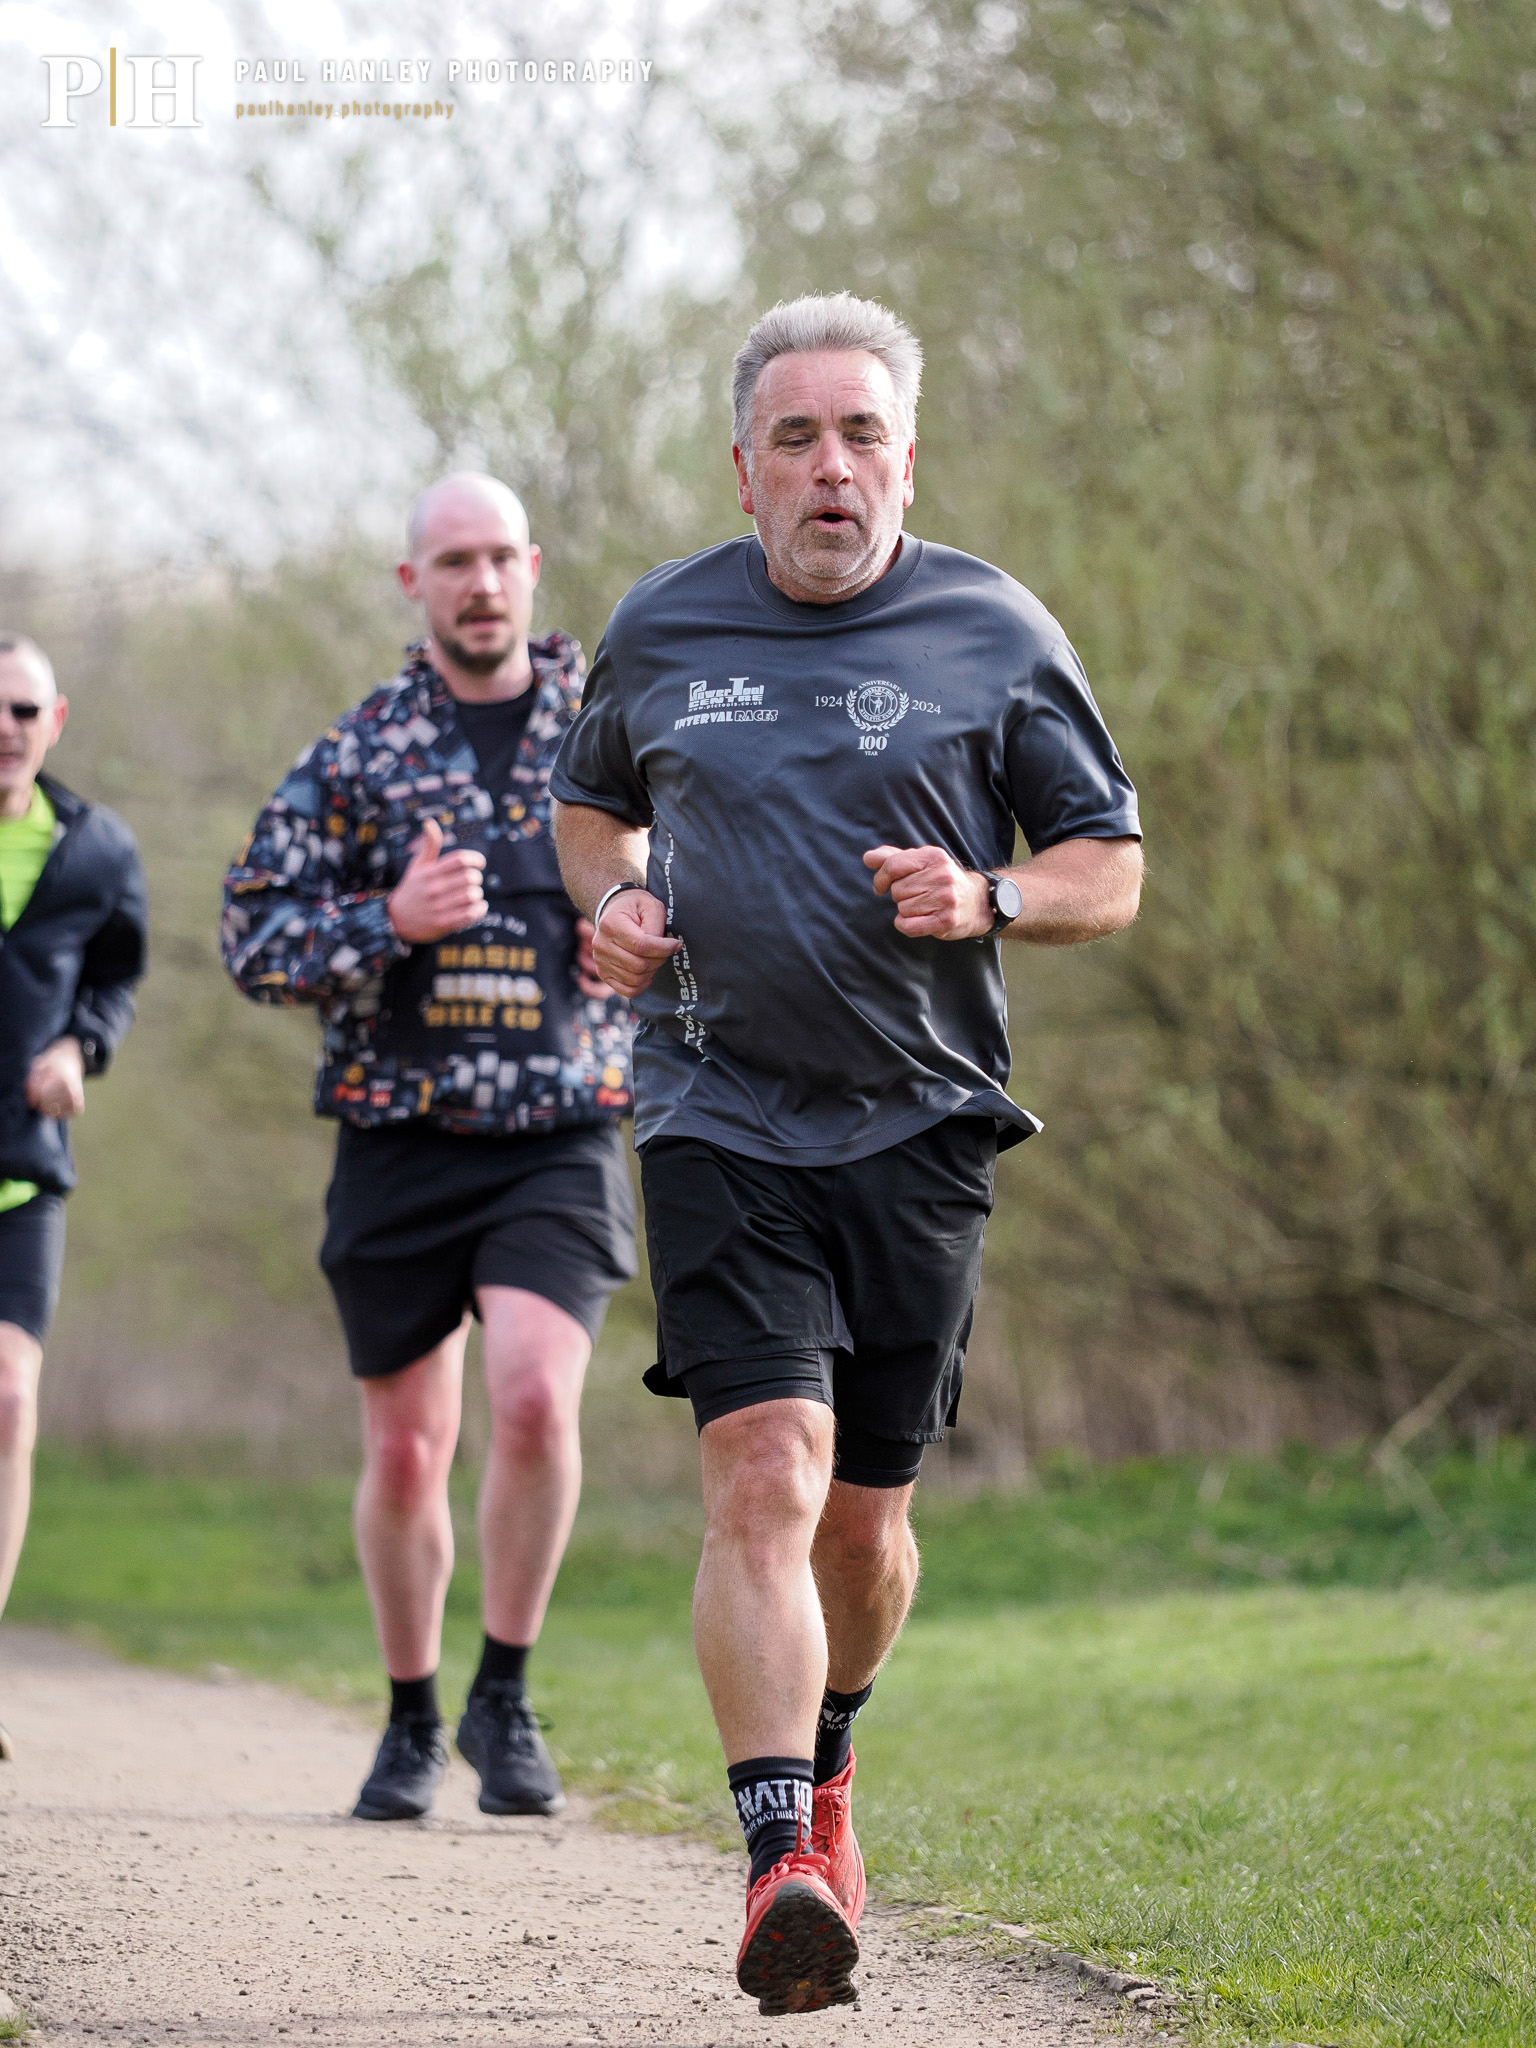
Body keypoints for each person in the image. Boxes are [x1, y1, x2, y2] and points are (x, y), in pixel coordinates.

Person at [551, 293, 1143, 2013]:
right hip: (714, 1105)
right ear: (745, 468)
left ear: (906, 451)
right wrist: (617, 902)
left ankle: (833, 1763)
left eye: (860, 433)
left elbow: (1108, 862)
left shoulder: (993, 629)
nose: (831, 467)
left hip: (922, 1119)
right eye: (796, 438)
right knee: (762, 1468)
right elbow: (590, 811)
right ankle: (775, 1863)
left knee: (864, 1527)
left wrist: (993, 896)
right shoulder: (659, 626)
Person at [221, 477, 637, 1823]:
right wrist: (386, 920)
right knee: (406, 1452)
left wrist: (638, 943)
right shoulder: (356, 755)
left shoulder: (609, 735)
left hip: (559, 1132)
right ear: (414, 582)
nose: (482, 582)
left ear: (534, 566)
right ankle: (409, 1719)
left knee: (532, 1398)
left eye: (501, 556)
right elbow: (252, 937)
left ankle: (503, 1697)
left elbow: (710, 915)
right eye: (452, 560)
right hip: (397, 1138)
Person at [0, 633, 148, 1761]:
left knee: (8, 1396)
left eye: (21, 709)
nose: (5, 726)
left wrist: (78, 1049)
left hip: (23, 1168)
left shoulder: (96, 850)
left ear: (55, 719)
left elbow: (116, 973)